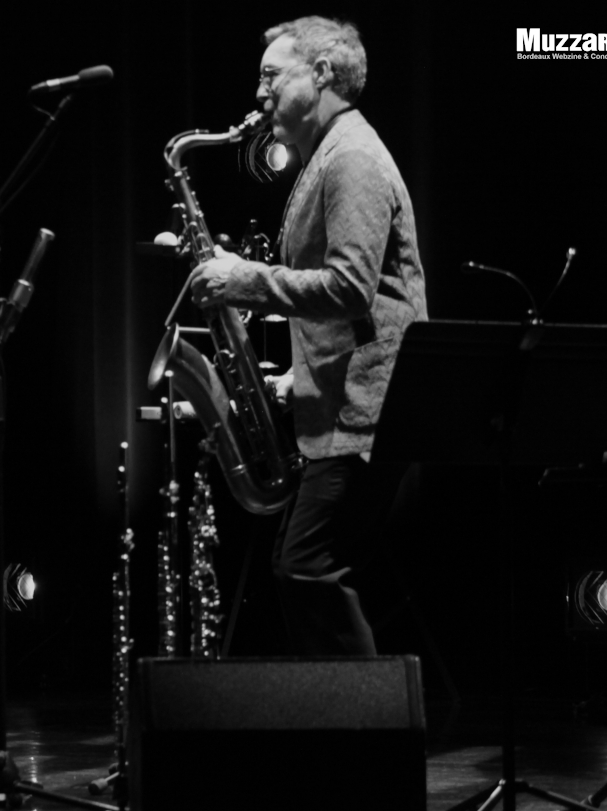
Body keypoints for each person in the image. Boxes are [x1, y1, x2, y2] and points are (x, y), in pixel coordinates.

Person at [187, 17, 427, 655]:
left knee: (305, 567)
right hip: (345, 406)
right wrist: (298, 378)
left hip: (366, 417)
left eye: (271, 75)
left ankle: (369, 713)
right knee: (296, 568)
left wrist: (245, 279)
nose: (259, 93)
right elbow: (364, 306)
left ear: (320, 73)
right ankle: (346, 712)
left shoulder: (350, 158)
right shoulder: (331, 152)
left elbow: (350, 287)